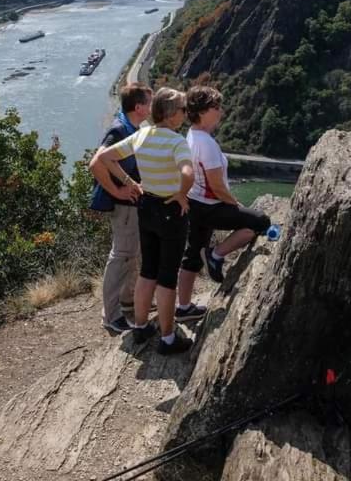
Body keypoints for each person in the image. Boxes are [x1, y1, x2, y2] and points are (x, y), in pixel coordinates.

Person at [89, 88, 195, 355]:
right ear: (171, 114)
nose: (185, 114)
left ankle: (140, 327)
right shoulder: (177, 141)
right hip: (171, 211)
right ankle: (168, 339)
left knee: (148, 270)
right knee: (167, 277)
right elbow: (188, 172)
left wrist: (130, 182)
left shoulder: (142, 134)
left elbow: (104, 157)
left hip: (146, 207)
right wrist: (182, 194)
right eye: (183, 109)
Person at [177, 86, 271, 304]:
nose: (221, 112)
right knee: (259, 222)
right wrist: (235, 204)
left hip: (195, 203)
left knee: (191, 258)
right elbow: (217, 187)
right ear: (202, 112)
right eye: (216, 107)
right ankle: (216, 255)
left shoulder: (191, 134)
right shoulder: (206, 144)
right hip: (210, 206)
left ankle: (183, 307)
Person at [91, 83, 153, 334]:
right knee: (121, 257)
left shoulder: (131, 127)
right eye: (148, 103)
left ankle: (128, 301)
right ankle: (112, 316)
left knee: (131, 254)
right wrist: (118, 191)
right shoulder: (119, 131)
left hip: (132, 206)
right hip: (123, 207)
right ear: (138, 107)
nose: (151, 107)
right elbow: (96, 163)